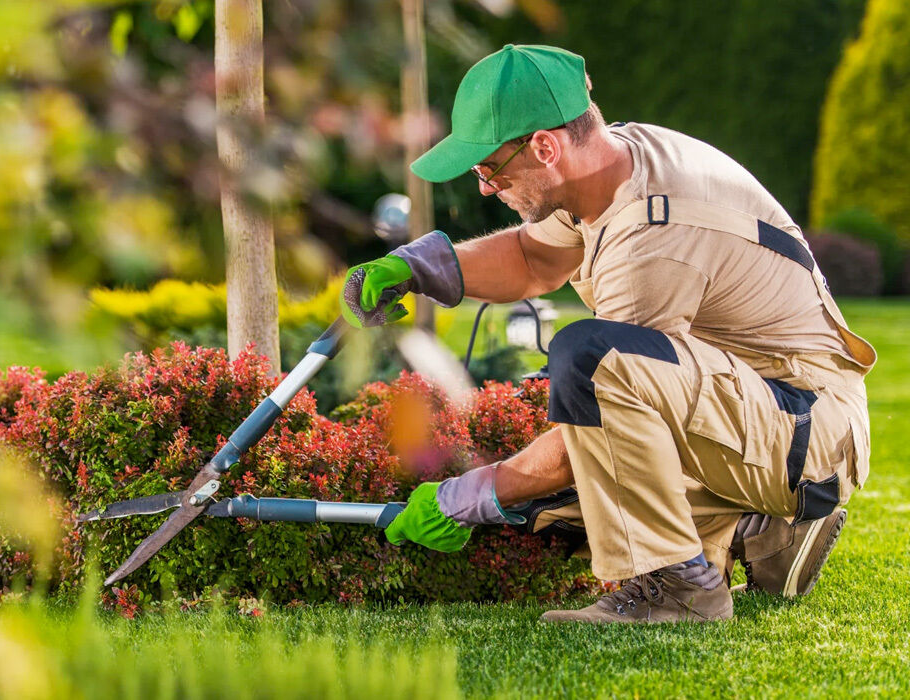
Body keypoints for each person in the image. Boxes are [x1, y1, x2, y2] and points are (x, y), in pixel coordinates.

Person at [340, 44, 875, 623]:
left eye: (489, 169)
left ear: (545, 146)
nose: (486, 190)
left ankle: (681, 586)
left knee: (586, 370)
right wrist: (419, 268)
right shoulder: (610, 164)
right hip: (765, 406)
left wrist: (465, 497)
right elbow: (533, 258)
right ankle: (760, 530)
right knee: (565, 504)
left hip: (806, 430)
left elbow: (593, 420)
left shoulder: (653, 234)